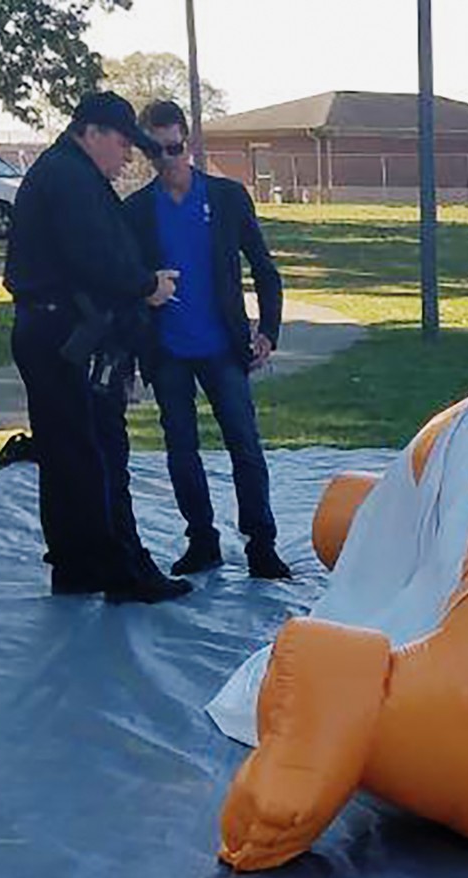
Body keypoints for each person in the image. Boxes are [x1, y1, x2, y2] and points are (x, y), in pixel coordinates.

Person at [3, 91, 192, 603]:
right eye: (123, 143)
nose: (128, 157)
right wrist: (146, 284)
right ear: (92, 133)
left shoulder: (60, 172)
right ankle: (123, 569)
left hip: (47, 331)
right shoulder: (70, 178)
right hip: (68, 336)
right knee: (98, 452)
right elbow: (96, 257)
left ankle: (76, 563)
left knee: (66, 454)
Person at [124, 100, 290, 580]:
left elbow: (264, 269)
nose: (167, 160)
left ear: (189, 143)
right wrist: (138, 351)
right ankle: (202, 541)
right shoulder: (136, 212)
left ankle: (261, 544)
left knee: (245, 446)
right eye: (155, 152)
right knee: (181, 450)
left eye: (174, 148)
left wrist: (268, 332)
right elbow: (128, 285)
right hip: (169, 352)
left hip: (223, 347)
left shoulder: (226, 197)